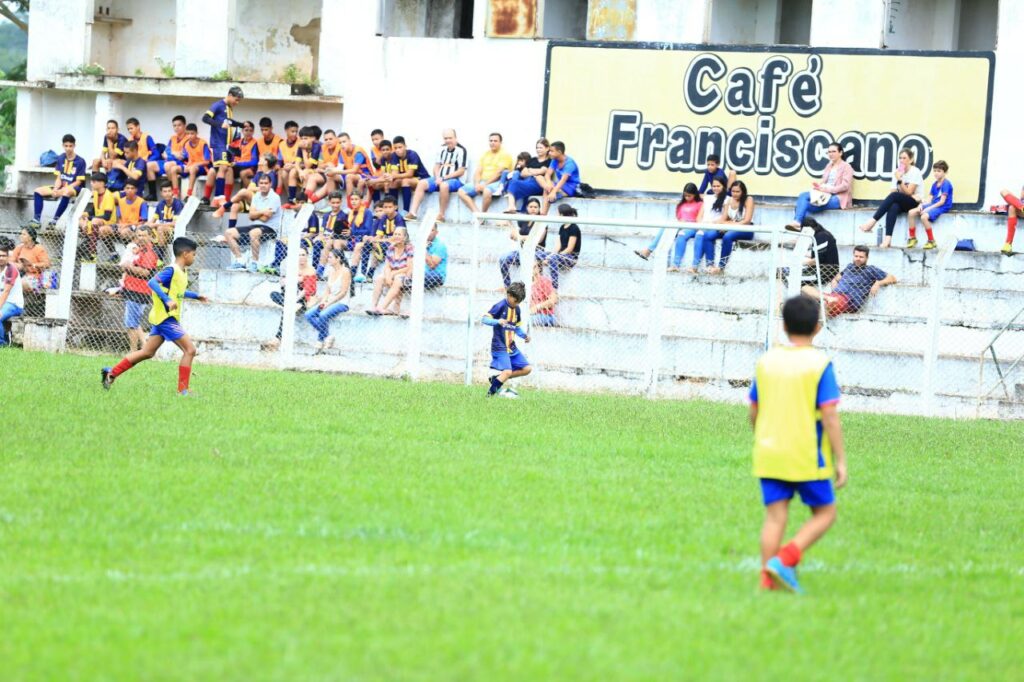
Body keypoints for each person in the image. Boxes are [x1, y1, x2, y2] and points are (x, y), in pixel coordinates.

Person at [749, 294, 847, 594]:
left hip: (769, 451)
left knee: (775, 516)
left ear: (783, 325)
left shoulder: (767, 361)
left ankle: (767, 583)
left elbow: (754, 408)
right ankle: (786, 558)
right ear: (817, 328)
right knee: (826, 513)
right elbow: (829, 414)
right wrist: (841, 460)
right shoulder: (819, 364)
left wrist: (761, 436)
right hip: (807, 455)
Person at [101, 237, 209, 395]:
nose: (194, 257)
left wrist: (195, 296)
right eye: (194, 254)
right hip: (166, 318)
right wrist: (166, 300)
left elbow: (177, 292)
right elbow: (152, 282)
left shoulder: (181, 272)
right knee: (190, 350)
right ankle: (183, 390)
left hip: (163, 318)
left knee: (147, 352)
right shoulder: (171, 270)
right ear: (185, 254)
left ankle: (111, 373)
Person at [801, 245, 897, 317]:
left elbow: (892, 278)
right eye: (856, 256)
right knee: (804, 288)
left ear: (867, 258)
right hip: (835, 296)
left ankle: (825, 302)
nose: (858, 259)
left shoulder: (871, 269)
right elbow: (837, 277)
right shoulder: (849, 267)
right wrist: (834, 281)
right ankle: (826, 299)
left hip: (849, 300)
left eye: (861, 257)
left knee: (827, 305)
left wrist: (878, 283)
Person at [858, 148, 923, 248]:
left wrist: (900, 180)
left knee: (894, 197)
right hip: (902, 201)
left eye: (904, 158)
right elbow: (893, 191)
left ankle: (872, 222)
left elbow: (909, 192)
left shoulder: (915, 171)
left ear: (911, 160)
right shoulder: (897, 172)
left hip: (914, 202)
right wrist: (899, 179)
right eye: (900, 158)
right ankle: (888, 239)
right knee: (893, 206)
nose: (901, 160)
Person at [405, 128, 468, 222]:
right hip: (440, 178)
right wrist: (438, 177)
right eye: (445, 138)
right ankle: (413, 213)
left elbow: (461, 171)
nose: (447, 140)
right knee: (422, 183)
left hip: (456, 180)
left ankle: (441, 215)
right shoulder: (441, 149)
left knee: (444, 185)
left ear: (455, 138)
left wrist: (443, 178)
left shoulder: (461, 150)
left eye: (450, 138)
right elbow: (436, 166)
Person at [482, 281, 532, 398]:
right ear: (509, 295)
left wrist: (524, 336)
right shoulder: (500, 306)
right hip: (500, 346)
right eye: (516, 301)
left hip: (511, 347)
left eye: (519, 302)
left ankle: (498, 379)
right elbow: (484, 319)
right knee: (507, 371)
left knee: (527, 369)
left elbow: (516, 327)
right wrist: (497, 321)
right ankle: (489, 396)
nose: (517, 304)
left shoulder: (517, 309)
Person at [786, 143, 853, 229]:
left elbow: (845, 186)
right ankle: (797, 223)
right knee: (803, 198)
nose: (831, 154)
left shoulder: (847, 167)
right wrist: (819, 187)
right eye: (829, 152)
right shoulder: (828, 166)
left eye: (833, 151)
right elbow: (824, 182)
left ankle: (799, 225)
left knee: (802, 207)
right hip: (824, 194)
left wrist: (829, 189)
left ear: (840, 153)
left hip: (838, 198)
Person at [224, 174, 282, 272]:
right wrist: (263, 211)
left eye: (266, 183)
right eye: (261, 183)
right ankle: (240, 261)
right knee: (229, 232)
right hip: (256, 225)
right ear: (258, 184)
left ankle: (255, 263)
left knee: (254, 232)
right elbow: (251, 216)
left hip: (270, 228)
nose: (263, 185)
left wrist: (257, 213)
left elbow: (265, 219)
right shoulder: (256, 196)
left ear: (270, 184)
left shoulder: (275, 197)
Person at [635, 182, 703, 265]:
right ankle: (648, 250)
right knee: (665, 227)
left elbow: (700, 219)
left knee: (680, 233)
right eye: (685, 195)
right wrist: (680, 221)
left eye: (689, 196)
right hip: (680, 226)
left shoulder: (700, 204)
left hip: (691, 228)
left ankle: (675, 264)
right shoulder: (682, 204)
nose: (687, 197)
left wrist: (688, 222)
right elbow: (679, 217)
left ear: (695, 194)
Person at [266, 246, 319, 350]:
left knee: (287, 309)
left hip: (302, 301)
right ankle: (291, 305)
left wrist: (294, 300)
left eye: (303, 255)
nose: (301, 257)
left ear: (307, 256)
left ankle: (278, 338)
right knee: (273, 294)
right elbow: (282, 283)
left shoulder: (311, 270)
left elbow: (306, 290)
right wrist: (298, 279)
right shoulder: (291, 267)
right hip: (289, 298)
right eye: (299, 255)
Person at [200, 85, 244, 207]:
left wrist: (241, 124)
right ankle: (219, 197)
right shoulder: (218, 105)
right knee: (223, 167)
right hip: (218, 142)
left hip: (226, 144)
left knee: (225, 169)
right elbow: (205, 118)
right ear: (230, 95)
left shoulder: (228, 108)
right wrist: (219, 124)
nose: (237, 103)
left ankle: (218, 198)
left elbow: (229, 122)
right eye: (236, 100)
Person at [30, 133, 86, 227]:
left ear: (74, 146)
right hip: (61, 186)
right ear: (63, 146)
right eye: (66, 146)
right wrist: (56, 188)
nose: (68, 148)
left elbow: (78, 182)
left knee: (66, 192)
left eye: (70, 146)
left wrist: (62, 190)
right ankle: (36, 220)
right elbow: (58, 178)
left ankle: (54, 220)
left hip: (74, 188)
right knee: (38, 191)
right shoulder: (60, 158)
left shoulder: (80, 161)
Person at [118, 225, 159, 352]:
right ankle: (144, 348)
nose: (140, 238)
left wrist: (128, 266)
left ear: (150, 236)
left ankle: (133, 351)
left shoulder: (148, 253)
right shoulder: (139, 250)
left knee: (131, 324)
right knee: (134, 321)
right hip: (132, 289)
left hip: (138, 291)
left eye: (143, 235)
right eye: (139, 235)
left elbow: (145, 272)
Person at [303, 249, 350, 350]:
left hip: (341, 302)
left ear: (338, 259)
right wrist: (324, 301)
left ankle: (320, 340)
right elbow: (327, 291)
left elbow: (343, 293)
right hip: (329, 301)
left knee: (322, 314)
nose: (328, 259)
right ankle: (327, 336)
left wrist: (328, 303)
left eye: (330, 257)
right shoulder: (331, 271)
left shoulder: (345, 271)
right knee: (308, 314)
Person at [457, 132, 513, 215]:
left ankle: (483, 215)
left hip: (497, 182)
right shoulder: (485, 154)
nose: (492, 143)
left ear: (500, 142)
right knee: (461, 191)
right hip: (483, 182)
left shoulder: (505, 155)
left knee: (487, 191)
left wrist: (484, 185)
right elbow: (478, 171)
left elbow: (499, 173)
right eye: (491, 141)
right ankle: (477, 214)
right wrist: (476, 184)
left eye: (495, 141)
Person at [709, 180, 756, 273]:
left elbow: (746, 221)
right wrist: (726, 225)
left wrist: (729, 225)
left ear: (743, 192)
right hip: (731, 228)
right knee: (708, 235)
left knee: (727, 236)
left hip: (746, 229)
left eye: (737, 191)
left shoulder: (749, 199)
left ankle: (721, 267)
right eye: (733, 191)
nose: (735, 194)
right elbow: (723, 219)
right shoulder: (729, 200)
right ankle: (709, 264)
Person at [499, 197, 546, 288]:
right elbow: (514, 235)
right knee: (503, 259)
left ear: (539, 209)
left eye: (535, 207)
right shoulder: (523, 221)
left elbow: (538, 239)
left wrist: (520, 237)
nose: (533, 209)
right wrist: (510, 225)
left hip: (536, 253)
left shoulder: (542, 222)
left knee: (533, 267)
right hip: (522, 252)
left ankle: (536, 289)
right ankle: (507, 286)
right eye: (531, 206)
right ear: (527, 208)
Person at [368, 226, 413, 315]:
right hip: (392, 273)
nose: (396, 236)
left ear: (404, 237)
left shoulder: (409, 248)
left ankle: (382, 307)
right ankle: (373, 306)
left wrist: (393, 273)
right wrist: (388, 275)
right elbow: (387, 266)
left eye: (399, 234)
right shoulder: (391, 248)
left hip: (405, 274)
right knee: (380, 278)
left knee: (397, 279)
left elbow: (409, 267)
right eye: (395, 234)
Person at [907, 160, 952, 249]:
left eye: (939, 171)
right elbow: (929, 199)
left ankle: (931, 241)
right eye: (935, 171)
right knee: (911, 212)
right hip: (934, 204)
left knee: (924, 217)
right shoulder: (934, 184)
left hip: (942, 206)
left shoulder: (946, 184)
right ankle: (912, 238)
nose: (936, 173)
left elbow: (942, 202)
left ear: (945, 172)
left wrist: (928, 209)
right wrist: (921, 205)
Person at [688, 178, 729, 273]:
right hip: (703, 226)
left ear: (723, 186)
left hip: (715, 227)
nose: (716, 188)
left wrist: (711, 224)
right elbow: (699, 216)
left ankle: (702, 265)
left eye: (718, 186)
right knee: (699, 233)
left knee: (701, 234)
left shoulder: (727, 200)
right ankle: (695, 266)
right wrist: (700, 224)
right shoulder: (707, 198)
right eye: (714, 186)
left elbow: (724, 217)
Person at [379, 135, 428, 211]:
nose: (398, 150)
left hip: (421, 179)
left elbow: (410, 174)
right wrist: (391, 176)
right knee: (392, 183)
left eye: (400, 147)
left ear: (405, 146)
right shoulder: (394, 156)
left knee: (405, 181)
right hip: (406, 178)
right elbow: (394, 174)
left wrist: (393, 176)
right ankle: (394, 211)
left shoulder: (412, 154)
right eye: (395, 148)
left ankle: (406, 210)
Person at [79, 172, 118, 262]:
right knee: (80, 218)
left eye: (94, 181)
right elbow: (93, 211)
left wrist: (90, 218)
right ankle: (84, 250)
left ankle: (92, 253)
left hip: (109, 222)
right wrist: (84, 215)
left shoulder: (109, 196)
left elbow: (107, 216)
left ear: (101, 183)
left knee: (94, 222)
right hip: (97, 221)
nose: (91, 183)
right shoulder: (96, 194)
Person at [504, 138, 551, 212]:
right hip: (527, 182)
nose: (538, 150)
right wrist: (536, 171)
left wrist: (530, 170)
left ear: (547, 148)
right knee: (512, 182)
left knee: (514, 184)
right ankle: (511, 207)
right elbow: (523, 173)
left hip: (538, 183)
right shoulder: (533, 160)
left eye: (540, 148)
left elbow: (543, 171)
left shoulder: (549, 161)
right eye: (537, 148)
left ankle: (511, 207)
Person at [543, 203, 581, 289]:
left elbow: (569, 249)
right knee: (539, 254)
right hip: (560, 255)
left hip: (570, 257)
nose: (557, 215)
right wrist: (550, 255)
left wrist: (551, 257)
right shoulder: (562, 227)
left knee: (552, 259)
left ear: (562, 214)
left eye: (557, 213)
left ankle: (554, 288)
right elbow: (558, 247)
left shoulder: (574, 227)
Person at [538, 141, 580, 214]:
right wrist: (548, 183)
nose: (549, 153)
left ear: (559, 152)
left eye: (551, 151)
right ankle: (543, 212)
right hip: (559, 185)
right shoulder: (555, 160)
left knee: (549, 191)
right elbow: (547, 174)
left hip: (571, 186)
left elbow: (563, 180)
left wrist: (553, 191)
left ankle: (543, 214)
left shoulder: (570, 163)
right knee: (539, 178)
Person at [124, 117, 160, 200]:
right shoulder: (130, 139)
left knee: (147, 166)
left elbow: (156, 153)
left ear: (138, 127)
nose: (130, 131)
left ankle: (152, 194)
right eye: (128, 129)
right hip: (134, 163)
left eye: (131, 128)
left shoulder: (146, 137)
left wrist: (148, 160)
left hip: (144, 163)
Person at [154, 115, 189, 198]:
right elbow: (165, 153)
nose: (176, 128)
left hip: (183, 163)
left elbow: (183, 156)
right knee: (150, 165)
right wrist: (174, 154)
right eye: (174, 126)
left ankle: (174, 192)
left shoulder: (188, 138)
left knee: (168, 165)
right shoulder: (172, 138)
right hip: (171, 160)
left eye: (179, 125)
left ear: (184, 126)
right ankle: (153, 194)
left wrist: (170, 154)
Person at [149, 181, 185, 258]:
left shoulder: (177, 204)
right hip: (161, 230)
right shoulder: (161, 204)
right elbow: (152, 221)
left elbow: (175, 224)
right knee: (143, 229)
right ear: (161, 193)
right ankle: (145, 257)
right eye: (165, 191)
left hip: (174, 232)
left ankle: (160, 257)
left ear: (172, 192)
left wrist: (157, 225)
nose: (167, 193)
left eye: (169, 191)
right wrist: (145, 226)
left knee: (160, 229)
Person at [11, 227, 50, 293]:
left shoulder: (39, 249)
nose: (21, 236)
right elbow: (10, 261)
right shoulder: (19, 247)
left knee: (19, 284)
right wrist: (20, 266)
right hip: (22, 274)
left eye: (24, 234)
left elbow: (47, 264)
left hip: (35, 278)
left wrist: (33, 265)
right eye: (21, 234)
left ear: (30, 237)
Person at [0, 242, 24, 347]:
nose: (1, 258)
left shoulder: (11, 270)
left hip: (13, 304)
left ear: (8, 257)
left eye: (3, 256)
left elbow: (6, 292)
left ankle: (2, 344)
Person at [182, 123, 212, 198]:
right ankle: (175, 193)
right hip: (192, 165)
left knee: (192, 169)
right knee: (175, 169)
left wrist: (195, 165)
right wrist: (186, 166)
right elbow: (189, 159)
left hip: (204, 167)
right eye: (188, 134)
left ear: (196, 133)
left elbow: (207, 161)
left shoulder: (203, 143)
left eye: (192, 133)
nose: (190, 136)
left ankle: (189, 194)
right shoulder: (187, 144)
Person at [278, 120, 302, 203]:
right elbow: (279, 161)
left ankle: (292, 198)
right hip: (287, 168)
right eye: (292, 131)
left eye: (296, 131)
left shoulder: (300, 142)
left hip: (299, 168)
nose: (295, 134)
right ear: (286, 131)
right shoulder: (281, 144)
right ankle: (290, 197)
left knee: (291, 171)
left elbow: (303, 161)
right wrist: (280, 166)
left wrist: (293, 165)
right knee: (283, 172)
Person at [530, 259, 558, 327]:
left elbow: (553, 300)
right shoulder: (524, 284)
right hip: (531, 315)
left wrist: (537, 307)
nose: (532, 269)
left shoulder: (545, 281)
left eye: (534, 267)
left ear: (539, 268)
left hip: (546, 316)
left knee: (524, 321)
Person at [1000, 184, 1024, 256]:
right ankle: (1008, 245)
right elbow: (1022, 197)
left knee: (1012, 208)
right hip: (1021, 206)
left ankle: (1008, 243)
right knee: (1003, 191)